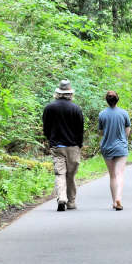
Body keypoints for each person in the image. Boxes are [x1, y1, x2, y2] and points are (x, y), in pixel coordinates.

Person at [42, 79, 84, 211]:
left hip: (57, 146)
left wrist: (50, 140)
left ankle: (61, 198)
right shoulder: (76, 109)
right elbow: (80, 129)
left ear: (58, 93)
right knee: (70, 175)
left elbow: (46, 128)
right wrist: (79, 144)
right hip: (73, 146)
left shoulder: (49, 108)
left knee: (60, 173)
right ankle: (71, 202)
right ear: (70, 93)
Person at [98, 90, 131, 210]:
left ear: (107, 100)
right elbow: (127, 130)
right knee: (119, 174)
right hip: (121, 147)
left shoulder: (102, 114)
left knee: (112, 175)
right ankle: (118, 198)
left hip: (107, 147)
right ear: (118, 99)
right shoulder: (124, 113)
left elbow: (101, 132)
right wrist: (122, 139)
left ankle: (114, 201)